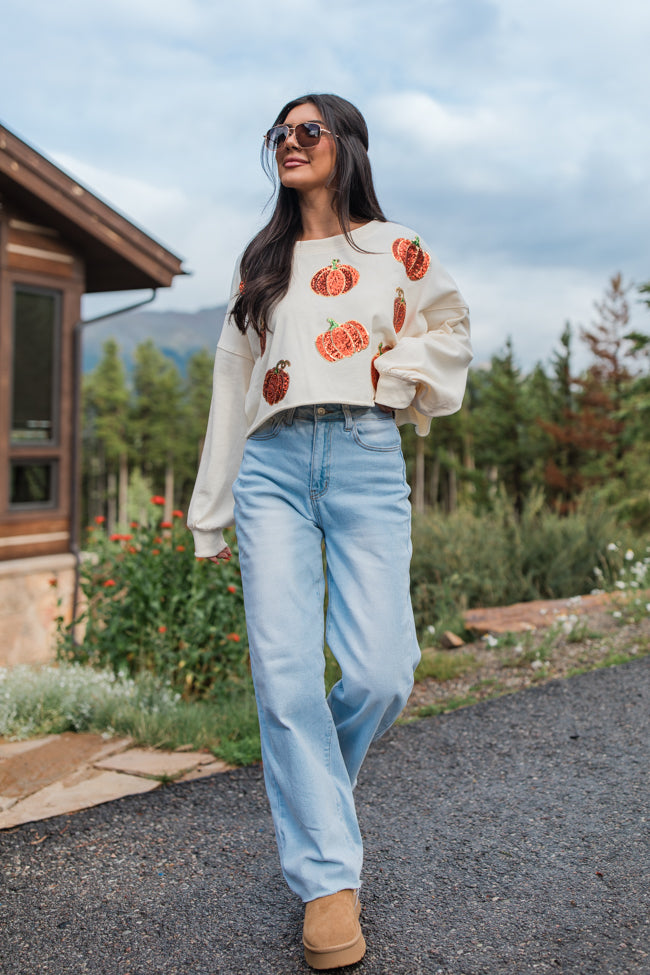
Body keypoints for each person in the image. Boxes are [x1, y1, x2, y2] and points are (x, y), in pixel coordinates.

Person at [187, 93, 472, 970]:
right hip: (271, 464)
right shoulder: (262, 261)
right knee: (283, 676)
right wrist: (212, 511)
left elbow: (453, 330)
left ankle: (311, 797)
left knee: (385, 671)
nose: (290, 143)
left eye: (308, 130)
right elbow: (231, 387)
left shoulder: (398, 248)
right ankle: (326, 883)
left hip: (362, 449)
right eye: (280, 133)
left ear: (346, 144)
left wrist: (398, 371)